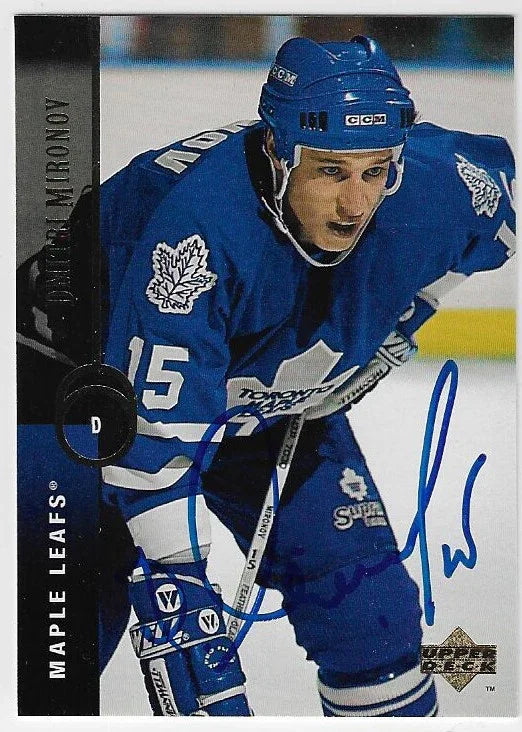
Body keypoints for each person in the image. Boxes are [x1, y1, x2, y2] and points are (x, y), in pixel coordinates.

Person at [98, 36, 515, 716]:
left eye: (375, 171)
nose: (356, 203)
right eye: (329, 171)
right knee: (67, 642)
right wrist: (180, 582)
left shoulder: (436, 186)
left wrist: (409, 314)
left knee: (373, 623)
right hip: (87, 403)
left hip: (260, 409)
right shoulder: (197, 233)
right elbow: (149, 452)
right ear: (276, 150)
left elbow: (499, 212)